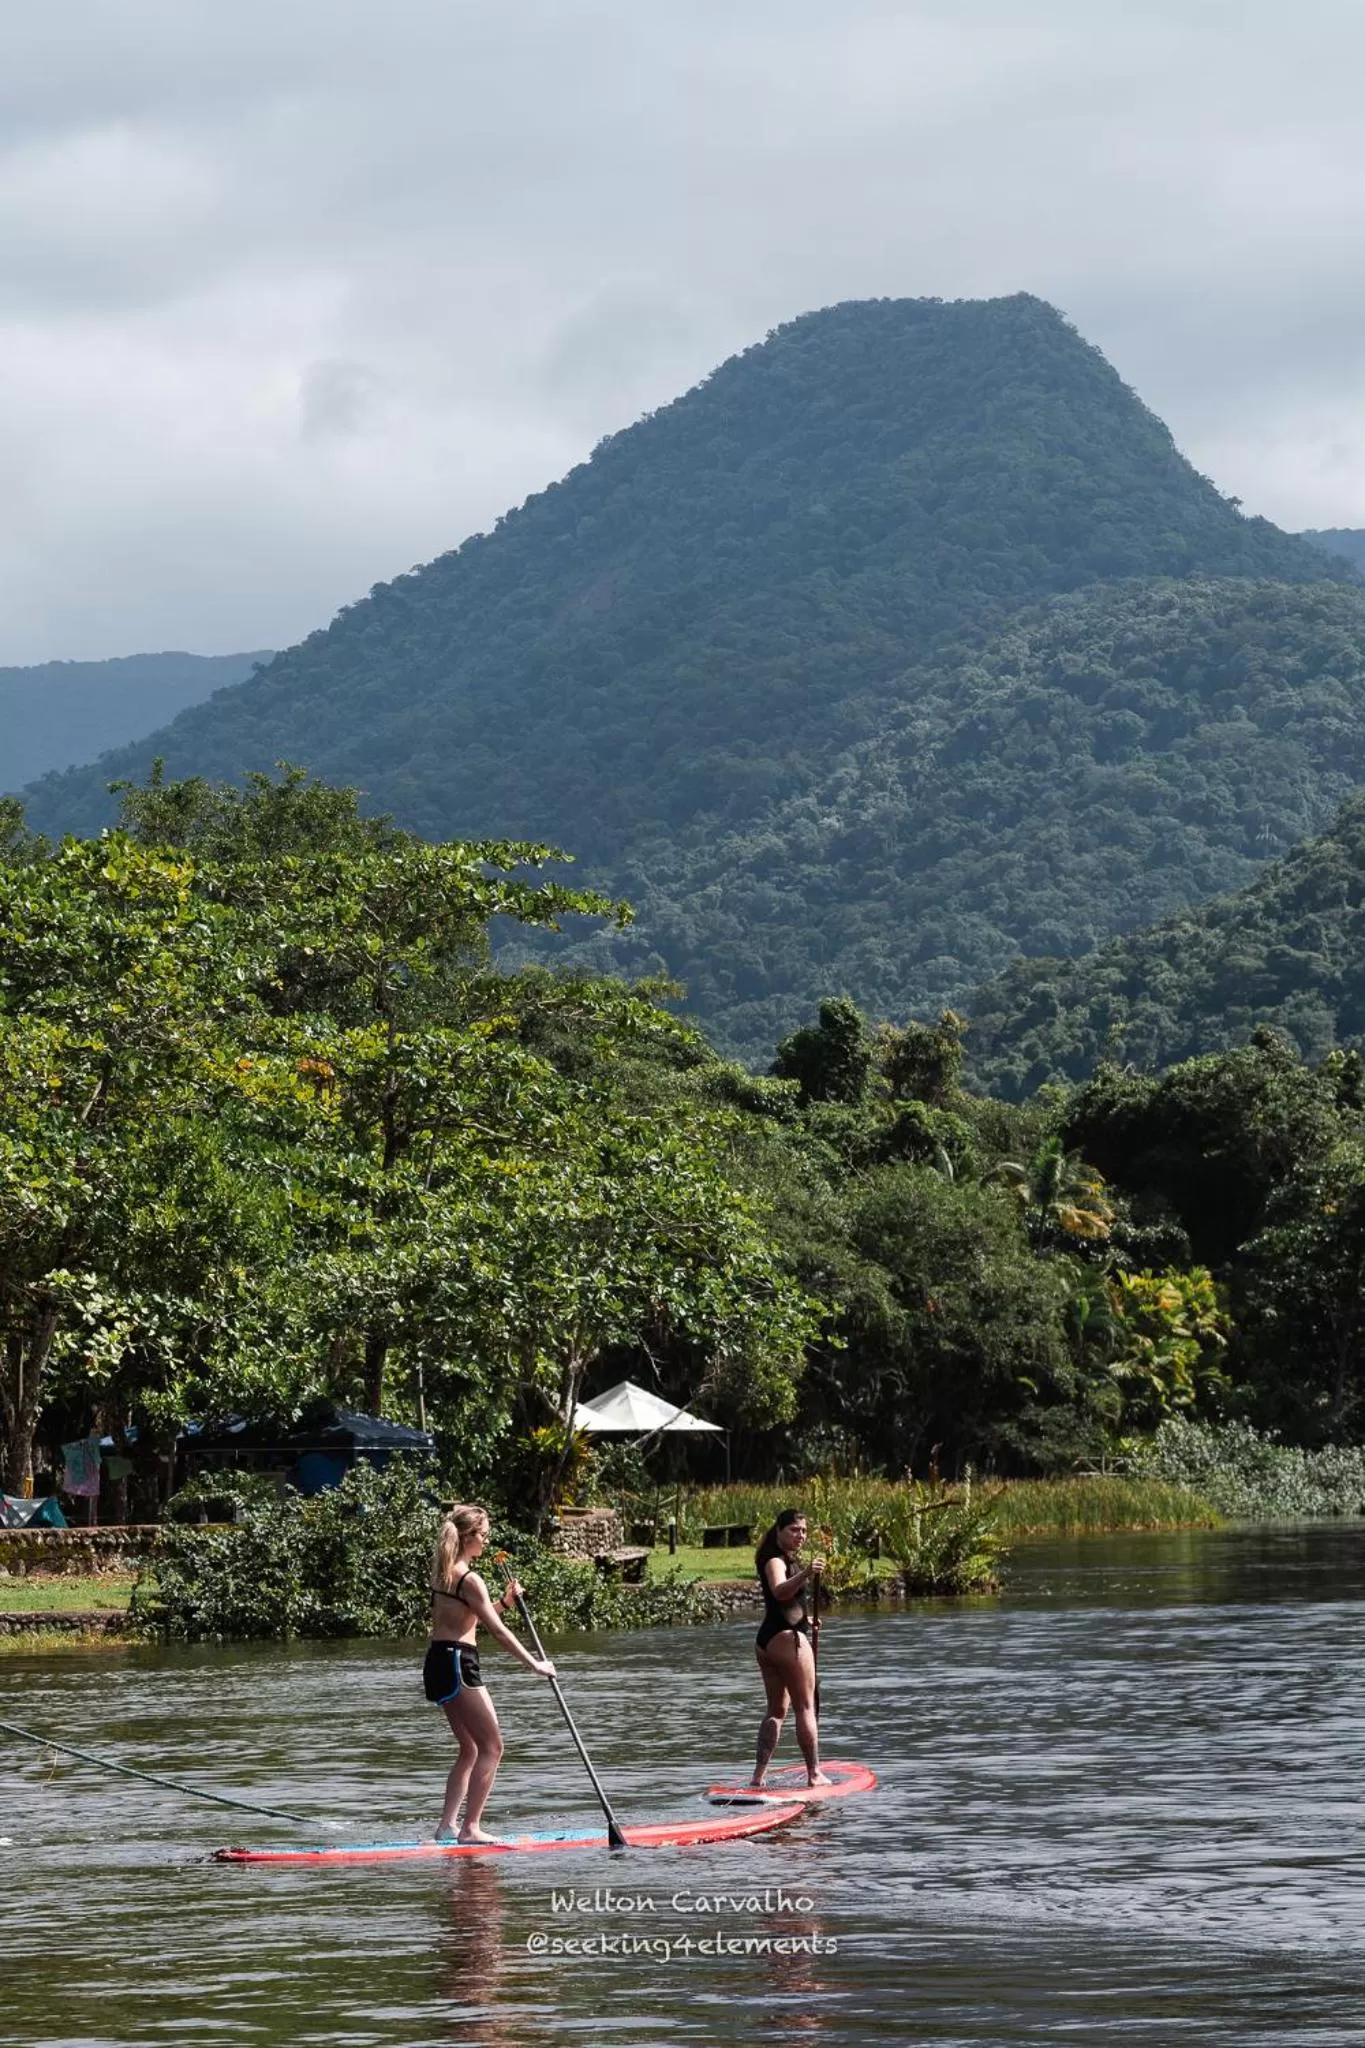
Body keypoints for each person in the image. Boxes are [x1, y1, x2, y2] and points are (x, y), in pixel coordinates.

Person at [424, 1503, 555, 1843]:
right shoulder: (471, 1579)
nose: (487, 1541)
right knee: (493, 1747)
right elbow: (497, 1632)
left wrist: (505, 1604)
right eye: (483, 1535)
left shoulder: (442, 1571)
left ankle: (446, 1826)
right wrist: (535, 1665)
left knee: (469, 1748)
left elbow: (468, 1617)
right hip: (457, 1662)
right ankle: (470, 1829)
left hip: (438, 1660)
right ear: (468, 1538)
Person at [752, 1507, 830, 1789]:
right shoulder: (775, 1560)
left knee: (776, 1710)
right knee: (805, 1706)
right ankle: (814, 1774)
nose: (801, 1535)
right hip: (786, 1641)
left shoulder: (786, 1559)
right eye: (794, 1530)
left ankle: (758, 1777)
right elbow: (779, 1591)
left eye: (804, 1531)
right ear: (779, 1531)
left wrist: (806, 1619)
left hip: (769, 1641)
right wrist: (807, 1573)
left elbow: (785, 1605)